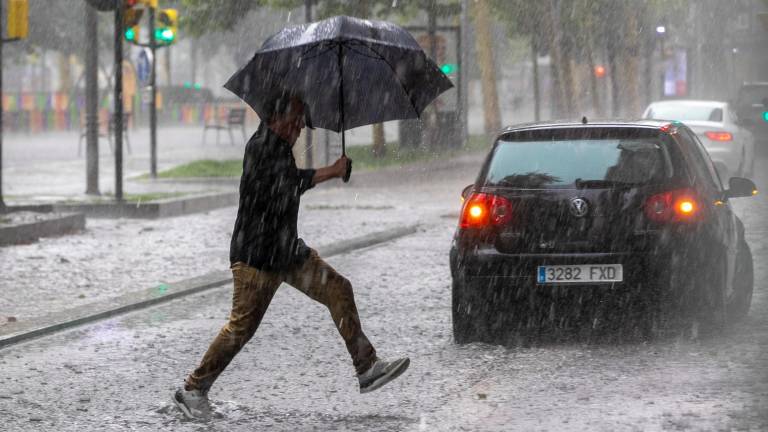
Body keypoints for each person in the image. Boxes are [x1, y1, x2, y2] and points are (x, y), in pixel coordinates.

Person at [173, 95, 410, 419]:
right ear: (277, 118)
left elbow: (288, 189)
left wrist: (328, 172)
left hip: (286, 253)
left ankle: (366, 367)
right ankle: (193, 389)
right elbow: (286, 187)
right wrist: (332, 170)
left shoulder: (280, 147)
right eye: (297, 121)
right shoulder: (260, 148)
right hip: (257, 258)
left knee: (339, 288)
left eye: (302, 121)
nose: (300, 128)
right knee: (240, 330)